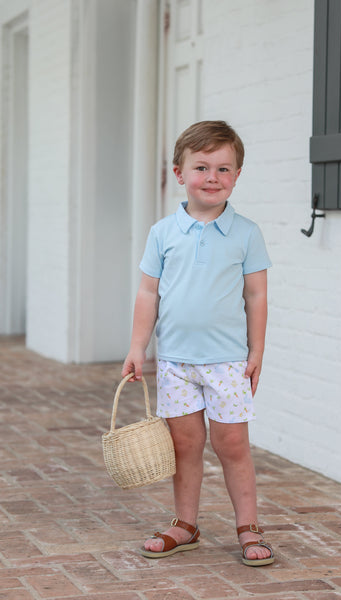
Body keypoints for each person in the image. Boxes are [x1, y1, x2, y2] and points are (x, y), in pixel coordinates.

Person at [122, 120, 274, 567]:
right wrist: (137, 348)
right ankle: (185, 524)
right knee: (185, 446)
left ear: (237, 175)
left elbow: (256, 295)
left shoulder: (246, 233)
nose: (212, 177)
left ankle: (248, 526)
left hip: (228, 362)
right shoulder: (162, 233)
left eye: (224, 169)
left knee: (232, 445)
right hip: (176, 363)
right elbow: (148, 293)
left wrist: (257, 351)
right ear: (179, 173)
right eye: (202, 167)